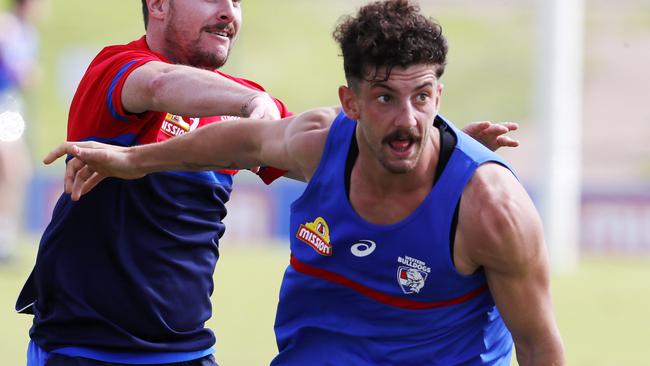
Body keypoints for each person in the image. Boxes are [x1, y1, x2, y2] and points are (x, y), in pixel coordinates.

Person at [48, 1, 564, 365]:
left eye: (236, 0)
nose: (228, 11)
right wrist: (139, 157)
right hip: (86, 346)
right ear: (157, 4)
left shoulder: (489, 204)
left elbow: (327, 143)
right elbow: (163, 87)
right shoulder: (117, 67)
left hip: (184, 349)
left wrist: (444, 156)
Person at [0, 0, 39, 261]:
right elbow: (17, 71)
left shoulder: (29, 32)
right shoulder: (7, 27)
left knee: (17, 173)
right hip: (3, 107)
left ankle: (6, 237)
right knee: (11, 171)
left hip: (13, 109)